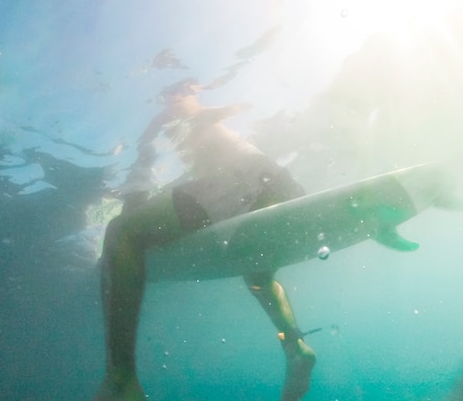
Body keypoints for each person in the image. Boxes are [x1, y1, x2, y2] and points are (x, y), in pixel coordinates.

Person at [93, 79, 316, 401]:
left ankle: (121, 378)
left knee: (121, 232)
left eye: (176, 93)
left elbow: (205, 116)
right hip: (277, 183)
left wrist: (202, 112)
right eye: (169, 94)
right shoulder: (185, 117)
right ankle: (295, 346)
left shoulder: (187, 111)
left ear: (189, 91)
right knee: (257, 274)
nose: (172, 99)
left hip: (241, 182)